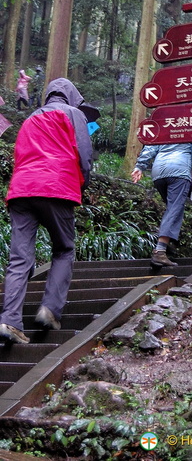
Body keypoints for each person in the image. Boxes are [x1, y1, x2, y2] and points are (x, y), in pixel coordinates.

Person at [0, 78, 93, 344]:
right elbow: (84, 155)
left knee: (19, 258)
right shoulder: (74, 114)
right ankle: (49, 309)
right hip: (57, 186)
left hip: (21, 190)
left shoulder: (29, 119)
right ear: (71, 96)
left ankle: (10, 321)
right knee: (63, 249)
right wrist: (82, 185)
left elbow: (20, 154)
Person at [131, 143, 192, 267]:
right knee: (174, 210)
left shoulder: (166, 126)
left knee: (171, 209)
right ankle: (160, 250)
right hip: (179, 171)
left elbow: (151, 146)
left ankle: (167, 244)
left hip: (158, 171)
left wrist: (140, 166)